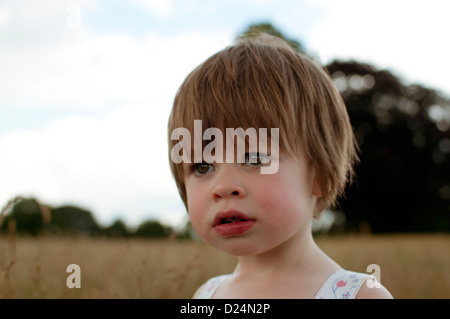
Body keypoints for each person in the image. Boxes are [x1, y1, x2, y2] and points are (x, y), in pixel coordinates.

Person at [167, 33, 393, 299]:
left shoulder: (358, 295)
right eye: (202, 167)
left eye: (254, 159)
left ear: (319, 174)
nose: (224, 187)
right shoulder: (207, 294)